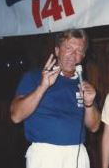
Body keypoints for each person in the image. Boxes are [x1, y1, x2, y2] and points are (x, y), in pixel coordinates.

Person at [10, 29, 101, 168]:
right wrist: (42, 86)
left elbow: (94, 127)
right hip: (46, 155)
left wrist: (88, 104)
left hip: (77, 154)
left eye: (79, 51)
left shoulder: (83, 85)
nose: (73, 55)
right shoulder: (34, 77)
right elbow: (16, 116)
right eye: (68, 48)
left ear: (83, 56)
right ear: (57, 51)